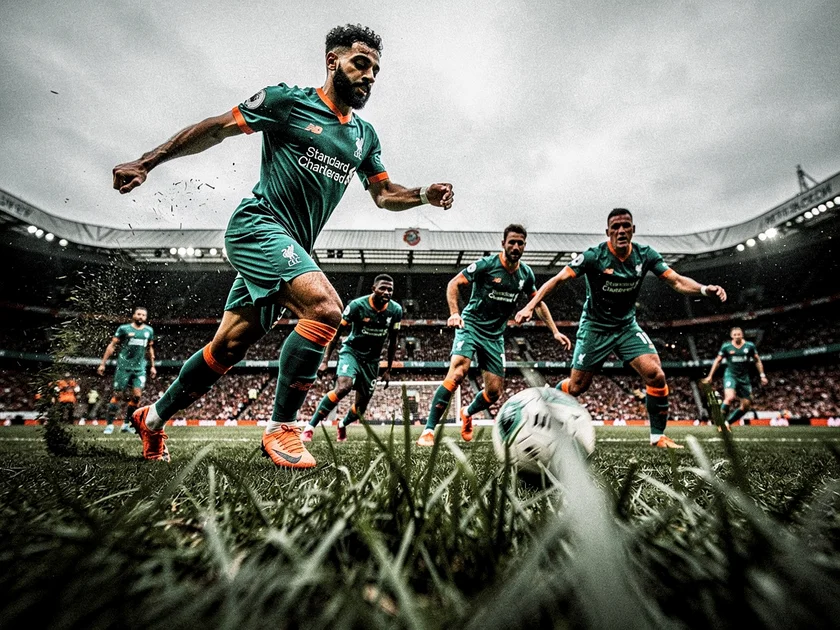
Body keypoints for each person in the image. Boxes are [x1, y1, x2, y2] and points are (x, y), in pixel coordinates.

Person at [112, 24, 454, 466]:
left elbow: (384, 195)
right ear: (333, 62)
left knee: (229, 347)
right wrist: (147, 161)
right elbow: (215, 129)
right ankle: (283, 429)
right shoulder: (287, 102)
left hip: (294, 245)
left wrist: (424, 193)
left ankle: (152, 418)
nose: (370, 76)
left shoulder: (365, 136)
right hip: (258, 226)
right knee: (326, 309)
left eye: (376, 70)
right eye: (360, 64)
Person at [516, 208, 727, 448]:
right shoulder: (594, 256)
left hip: (626, 326)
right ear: (607, 232)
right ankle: (552, 393)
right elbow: (558, 280)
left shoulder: (645, 255)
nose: (621, 230)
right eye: (615, 227)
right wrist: (530, 306)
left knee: (655, 373)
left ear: (633, 229)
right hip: (595, 327)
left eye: (626, 225)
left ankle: (658, 437)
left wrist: (703, 289)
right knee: (577, 387)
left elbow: (676, 280)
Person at [417, 225, 571, 446]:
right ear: (503, 244)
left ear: (525, 246)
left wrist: (555, 331)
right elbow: (454, 284)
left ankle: (467, 412)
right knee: (458, 371)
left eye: (520, 243)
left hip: (494, 336)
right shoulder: (487, 265)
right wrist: (454, 313)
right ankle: (428, 431)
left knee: (494, 393)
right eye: (512, 242)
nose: (516, 246)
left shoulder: (525, 274)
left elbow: (538, 303)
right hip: (470, 325)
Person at [302, 274, 402, 442]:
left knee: (361, 408)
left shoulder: (395, 311)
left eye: (390, 289)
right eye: (383, 288)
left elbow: (393, 341)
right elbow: (337, 333)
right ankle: (310, 427)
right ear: (373, 289)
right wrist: (325, 360)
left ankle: (342, 424)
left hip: (372, 360)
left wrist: (389, 369)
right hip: (352, 352)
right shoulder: (357, 306)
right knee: (343, 387)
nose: (387, 292)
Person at [97, 307, 156, 435]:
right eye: (138, 314)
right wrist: (103, 363)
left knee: (137, 396)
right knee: (118, 395)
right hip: (123, 367)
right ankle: (110, 425)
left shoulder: (149, 331)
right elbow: (112, 346)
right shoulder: (124, 329)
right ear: (133, 315)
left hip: (139, 368)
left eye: (143, 315)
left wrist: (152, 365)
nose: (141, 317)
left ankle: (126, 424)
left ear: (146, 318)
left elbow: (150, 348)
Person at [702, 327, 767, 430]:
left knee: (746, 406)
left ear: (742, 335)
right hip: (730, 375)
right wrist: (710, 376)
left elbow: (757, 360)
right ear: (731, 336)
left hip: (744, 378)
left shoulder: (749, 346)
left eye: (739, 334)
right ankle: (720, 423)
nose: (737, 336)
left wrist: (762, 375)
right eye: (735, 334)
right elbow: (717, 361)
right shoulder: (726, 346)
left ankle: (728, 423)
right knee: (729, 397)